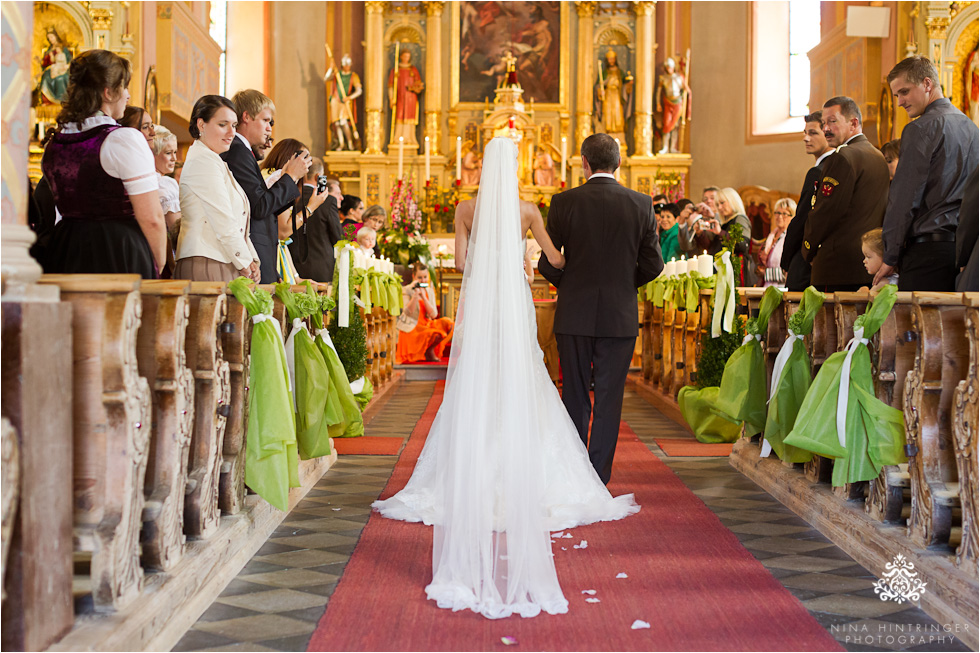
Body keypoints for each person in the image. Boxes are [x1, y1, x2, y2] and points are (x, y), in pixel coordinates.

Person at [375, 137, 639, 621]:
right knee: (523, 376)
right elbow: (555, 260)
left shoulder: (466, 208)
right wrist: (537, 263)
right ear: (515, 167)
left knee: (479, 378)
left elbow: (460, 264)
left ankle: (472, 468)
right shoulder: (528, 210)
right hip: (515, 301)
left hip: (481, 301)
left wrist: (493, 265)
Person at [538, 133, 663, 484]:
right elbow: (654, 265)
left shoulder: (564, 201)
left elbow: (548, 264)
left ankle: (575, 475)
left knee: (575, 394)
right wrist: (623, 285)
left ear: (583, 162)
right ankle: (598, 477)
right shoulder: (641, 203)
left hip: (573, 313)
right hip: (619, 316)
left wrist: (573, 285)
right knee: (609, 398)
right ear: (619, 163)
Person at [41, 49, 165, 278]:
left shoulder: (55, 142)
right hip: (117, 251)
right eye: (124, 87)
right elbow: (152, 218)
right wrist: (156, 264)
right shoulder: (122, 139)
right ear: (108, 93)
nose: (128, 95)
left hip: (66, 249)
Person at [876, 56, 980, 291]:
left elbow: (903, 198)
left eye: (904, 92)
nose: (900, 102)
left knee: (916, 327)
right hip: (965, 254)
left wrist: (890, 256)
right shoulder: (973, 129)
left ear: (927, 84)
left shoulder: (920, 129)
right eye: (896, 96)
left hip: (926, 253)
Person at [221, 89, 311, 283]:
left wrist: (290, 180)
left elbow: (266, 209)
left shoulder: (245, 152)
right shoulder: (238, 151)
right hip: (252, 256)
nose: (270, 128)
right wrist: (290, 176)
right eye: (266, 120)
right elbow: (259, 207)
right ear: (246, 117)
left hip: (264, 258)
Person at [802, 96, 890, 292]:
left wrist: (807, 249)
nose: (826, 129)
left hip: (836, 267)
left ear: (854, 123)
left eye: (832, 121)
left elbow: (826, 212)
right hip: (867, 264)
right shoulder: (878, 157)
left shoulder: (843, 157)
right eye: (824, 123)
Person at [176, 95, 260, 283]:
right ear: (201, 125)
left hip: (222, 258)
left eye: (234, 125)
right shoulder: (203, 161)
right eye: (223, 124)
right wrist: (245, 261)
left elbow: (238, 220)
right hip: (206, 260)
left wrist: (251, 258)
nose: (231, 133)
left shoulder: (214, 160)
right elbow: (222, 218)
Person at [260, 138, 329, 284]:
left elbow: (283, 241)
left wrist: (297, 277)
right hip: (270, 258)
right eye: (304, 160)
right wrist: (311, 207)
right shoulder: (278, 179)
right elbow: (283, 231)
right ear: (291, 159)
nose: (307, 167)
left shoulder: (268, 174)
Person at [781, 110, 833, 291]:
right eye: (805, 132)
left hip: (806, 261)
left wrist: (786, 260)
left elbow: (803, 218)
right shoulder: (839, 166)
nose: (805, 138)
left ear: (827, 134)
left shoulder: (818, 172)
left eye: (813, 133)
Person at [394, 262, 453, 364]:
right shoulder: (407, 290)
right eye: (420, 277)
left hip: (427, 323)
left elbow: (434, 315)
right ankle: (424, 352)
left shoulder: (429, 291)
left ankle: (429, 350)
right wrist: (415, 295)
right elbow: (407, 312)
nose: (423, 280)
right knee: (431, 333)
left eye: (425, 277)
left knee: (449, 324)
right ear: (414, 276)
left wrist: (425, 298)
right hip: (412, 325)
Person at [291, 175, 344, 283]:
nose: (341, 197)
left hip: (293, 265)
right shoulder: (328, 201)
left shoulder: (291, 197)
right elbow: (338, 238)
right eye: (338, 193)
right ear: (318, 178)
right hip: (321, 266)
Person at [324, 52, 362, 151]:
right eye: (345, 65)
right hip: (336, 100)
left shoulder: (353, 76)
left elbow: (359, 91)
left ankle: (350, 143)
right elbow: (326, 78)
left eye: (348, 65)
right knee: (337, 123)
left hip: (345, 101)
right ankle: (341, 143)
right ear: (342, 65)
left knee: (344, 122)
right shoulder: (337, 74)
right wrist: (331, 68)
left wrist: (349, 97)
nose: (347, 67)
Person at [593, 49, 633, 143]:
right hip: (608, 97)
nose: (611, 61)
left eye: (612, 59)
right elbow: (599, 85)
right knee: (607, 115)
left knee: (618, 115)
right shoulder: (604, 73)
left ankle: (619, 137)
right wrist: (600, 90)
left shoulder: (620, 72)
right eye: (609, 59)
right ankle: (607, 136)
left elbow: (624, 85)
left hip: (617, 97)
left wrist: (628, 85)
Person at [388, 49, 424, 147]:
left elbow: (418, 83)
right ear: (401, 57)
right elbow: (391, 86)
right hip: (400, 96)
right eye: (405, 56)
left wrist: (415, 87)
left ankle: (409, 138)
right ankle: (398, 138)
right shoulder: (396, 70)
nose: (406, 58)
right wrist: (391, 98)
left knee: (409, 117)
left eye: (408, 56)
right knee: (399, 115)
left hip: (411, 98)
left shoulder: (413, 69)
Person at [656, 57, 691, 154]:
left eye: (670, 67)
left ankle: (672, 148)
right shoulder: (663, 78)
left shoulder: (679, 77)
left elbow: (686, 89)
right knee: (666, 125)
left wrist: (687, 92)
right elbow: (658, 92)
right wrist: (658, 103)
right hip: (668, 103)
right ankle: (665, 147)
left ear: (673, 67)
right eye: (667, 67)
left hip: (678, 103)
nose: (669, 69)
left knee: (675, 126)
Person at [759, 198, 795, 288]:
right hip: (766, 287)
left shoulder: (791, 238)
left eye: (784, 214)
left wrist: (766, 273)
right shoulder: (771, 236)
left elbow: (790, 272)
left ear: (793, 216)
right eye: (777, 213)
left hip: (781, 289)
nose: (780, 217)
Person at [34, 28, 72, 106]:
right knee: (45, 77)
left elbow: (70, 60)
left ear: (56, 36)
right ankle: (47, 101)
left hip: (63, 69)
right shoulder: (49, 50)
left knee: (61, 78)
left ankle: (62, 101)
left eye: (51, 37)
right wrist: (40, 61)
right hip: (52, 69)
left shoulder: (63, 49)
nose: (50, 39)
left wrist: (67, 66)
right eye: (48, 38)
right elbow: (45, 63)